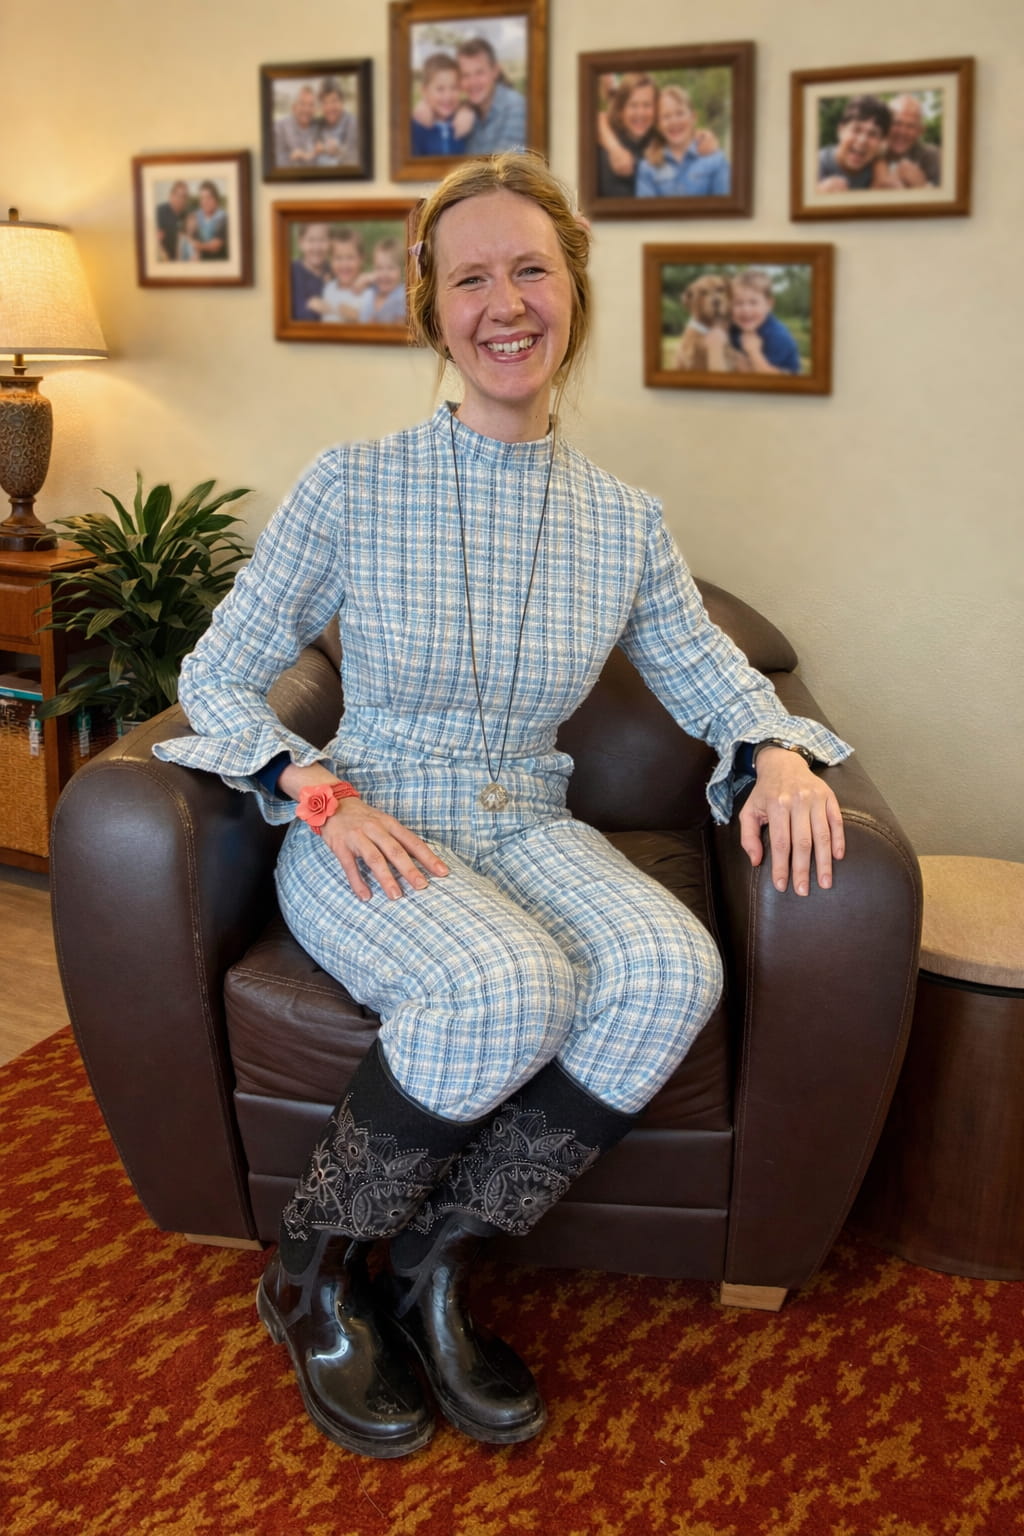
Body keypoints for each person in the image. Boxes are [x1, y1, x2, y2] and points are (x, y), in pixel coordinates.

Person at [154, 151, 851, 1461]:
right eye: (470, 276)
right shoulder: (352, 483)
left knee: (667, 966)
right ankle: (307, 1278)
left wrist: (780, 753)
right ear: (433, 309)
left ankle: (431, 1263)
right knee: (508, 982)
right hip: (373, 820)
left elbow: (714, 673)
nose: (505, 301)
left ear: (573, 292)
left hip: (529, 818)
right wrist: (312, 785)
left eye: (531, 267)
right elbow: (219, 672)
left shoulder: (625, 522)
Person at [635, 84, 731, 198]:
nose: (674, 121)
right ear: (658, 125)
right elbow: (647, 213)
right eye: (666, 116)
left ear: (693, 117)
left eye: (680, 113)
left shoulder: (715, 160)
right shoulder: (647, 167)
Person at [722, 269, 801, 375]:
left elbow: (775, 381)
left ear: (769, 304)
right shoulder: (732, 327)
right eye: (738, 303)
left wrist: (754, 352)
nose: (746, 309)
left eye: (753, 302)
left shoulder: (778, 336)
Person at [458, 37, 527, 154]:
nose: (472, 82)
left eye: (479, 72)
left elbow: (506, 167)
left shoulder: (516, 106)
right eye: (466, 75)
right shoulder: (466, 111)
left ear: (495, 71)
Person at [596, 74, 659, 196]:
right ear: (621, 110)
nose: (640, 113)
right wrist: (614, 148)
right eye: (633, 105)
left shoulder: (662, 141)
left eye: (647, 105)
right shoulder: (605, 146)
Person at [818, 95, 896, 191]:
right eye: (856, 130)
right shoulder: (816, 165)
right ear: (840, 130)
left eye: (873, 134)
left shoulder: (880, 171)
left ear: (882, 142)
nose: (862, 140)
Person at [411, 52, 474, 156]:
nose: (448, 96)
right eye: (440, 89)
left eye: (454, 87)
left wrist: (466, 109)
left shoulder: (465, 122)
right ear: (424, 91)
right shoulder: (416, 129)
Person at [308, 229, 367, 323]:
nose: (344, 264)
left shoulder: (367, 291)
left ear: (361, 259)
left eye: (350, 257)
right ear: (330, 261)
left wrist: (356, 316)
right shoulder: (328, 287)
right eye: (338, 258)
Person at [883, 92, 941, 188]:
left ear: (920, 131)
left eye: (911, 126)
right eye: (897, 123)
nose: (902, 132)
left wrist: (922, 186)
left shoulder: (933, 157)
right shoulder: (873, 154)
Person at [357, 237, 406, 324]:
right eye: (379, 268)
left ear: (402, 271)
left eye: (391, 268)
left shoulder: (401, 295)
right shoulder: (372, 290)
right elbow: (356, 287)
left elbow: (399, 327)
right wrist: (369, 278)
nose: (384, 274)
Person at [314, 78, 360, 168]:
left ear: (342, 102)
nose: (330, 107)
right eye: (325, 102)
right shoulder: (319, 125)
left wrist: (338, 150)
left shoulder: (353, 124)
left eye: (334, 101)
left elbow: (355, 159)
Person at [289, 222, 330, 321]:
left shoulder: (335, 270)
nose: (317, 247)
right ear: (300, 243)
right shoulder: (291, 272)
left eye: (322, 240)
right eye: (311, 240)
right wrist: (309, 306)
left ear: (330, 242)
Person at [274, 84, 319, 169]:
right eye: (302, 104)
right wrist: (291, 157)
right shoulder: (279, 127)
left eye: (311, 105)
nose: (307, 109)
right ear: (294, 107)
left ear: (315, 109)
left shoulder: (318, 127)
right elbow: (273, 162)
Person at [191, 181, 228, 260]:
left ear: (216, 200)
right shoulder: (196, 216)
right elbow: (190, 238)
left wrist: (199, 246)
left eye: (208, 198)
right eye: (202, 198)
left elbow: (216, 246)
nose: (205, 202)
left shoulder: (223, 218)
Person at [155, 180, 189, 261]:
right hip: (164, 260)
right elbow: (156, 240)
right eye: (178, 195)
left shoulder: (188, 215)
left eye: (184, 196)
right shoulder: (159, 211)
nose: (181, 199)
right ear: (171, 196)